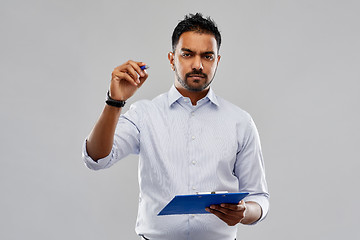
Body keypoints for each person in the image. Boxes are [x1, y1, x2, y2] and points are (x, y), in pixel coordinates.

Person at [82, 13, 269, 240]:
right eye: (187, 54)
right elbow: (97, 158)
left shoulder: (240, 122)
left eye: (207, 56)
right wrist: (115, 101)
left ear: (217, 60)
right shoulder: (144, 114)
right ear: (172, 59)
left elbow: (259, 198)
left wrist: (243, 212)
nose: (198, 65)